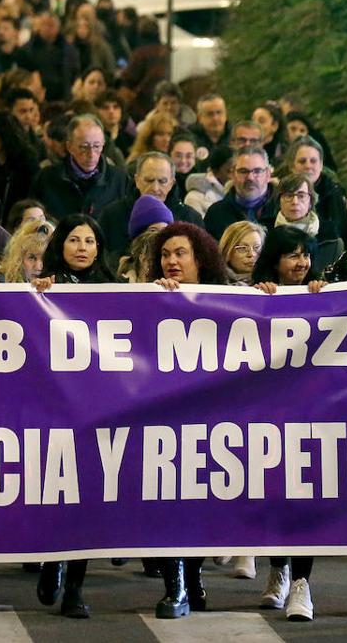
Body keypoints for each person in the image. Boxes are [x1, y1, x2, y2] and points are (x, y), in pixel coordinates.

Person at [29, 213, 113, 619]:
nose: (83, 247)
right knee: (55, 494)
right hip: (53, 409)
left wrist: (159, 291)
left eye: (90, 240)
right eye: (75, 240)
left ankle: (76, 587)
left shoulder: (117, 291)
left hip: (98, 411)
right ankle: (51, 560)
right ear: (61, 245)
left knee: (87, 501)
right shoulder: (40, 289)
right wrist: (37, 294)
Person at [145, 222, 227, 618]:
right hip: (163, 425)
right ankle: (175, 586)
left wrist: (271, 297)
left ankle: (192, 578)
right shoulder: (146, 299)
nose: (172, 261)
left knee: (198, 506)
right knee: (168, 504)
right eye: (165, 254)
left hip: (211, 423)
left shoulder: (228, 300)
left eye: (180, 253)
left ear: (200, 258)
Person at [251, 225, 330, 622]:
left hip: (311, 416)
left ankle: (301, 583)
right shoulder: (253, 293)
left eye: (306, 254)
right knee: (274, 499)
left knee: (304, 499)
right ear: (275, 259)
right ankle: (277, 569)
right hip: (267, 418)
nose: (301, 262)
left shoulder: (326, 293)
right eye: (292, 255)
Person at [98, 152, 203, 262]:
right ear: (137, 180)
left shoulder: (191, 218)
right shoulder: (112, 215)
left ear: (172, 183)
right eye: (149, 180)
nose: (155, 188)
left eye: (162, 181)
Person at [32, 114, 128, 220]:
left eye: (96, 146)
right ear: (70, 147)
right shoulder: (46, 178)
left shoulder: (120, 180)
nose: (91, 154)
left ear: (103, 144)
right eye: (84, 147)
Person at [280, 136, 347, 248]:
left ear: (321, 165)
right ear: (292, 166)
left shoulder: (334, 193)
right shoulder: (280, 192)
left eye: (313, 161)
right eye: (302, 161)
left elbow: (346, 235)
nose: (308, 166)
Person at [268, 173, 341, 276]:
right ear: (279, 200)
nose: (295, 201)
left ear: (310, 201)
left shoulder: (329, 234)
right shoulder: (267, 231)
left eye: (301, 196)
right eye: (288, 195)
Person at [203, 146, 272, 241]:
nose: (250, 177)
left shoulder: (283, 211)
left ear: (268, 175)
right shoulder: (216, 214)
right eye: (243, 171)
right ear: (232, 174)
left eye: (257, 171)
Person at [184, 145, 233, 217]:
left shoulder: (243, 196)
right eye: (230, 171)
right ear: (215, 171)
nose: (235, 176)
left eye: (240, 171)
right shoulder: (194, 197)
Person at [218, 220, 266, 285]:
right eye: (243, 248)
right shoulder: (214, 281)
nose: (252, 254)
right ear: (227, 251)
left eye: (257, 247)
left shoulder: (271, 280)